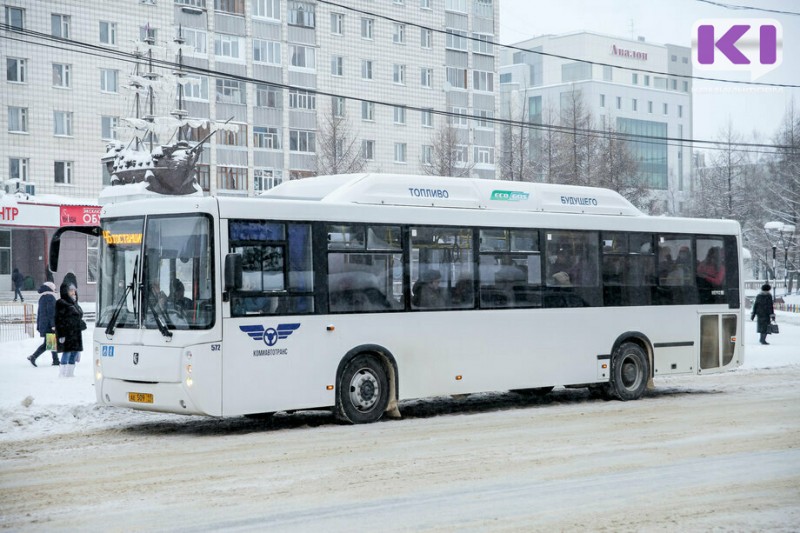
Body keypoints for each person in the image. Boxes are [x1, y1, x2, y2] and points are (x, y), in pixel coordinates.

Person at [55, 283, 85, 377]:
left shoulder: (74, 302)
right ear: (66, 291)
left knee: (74, 352)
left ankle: (70, 373)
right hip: (67, 332)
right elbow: (58, 320)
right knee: (67, 352)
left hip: (75, 333)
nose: (73, 292)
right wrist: (61, 334)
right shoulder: (61, 303)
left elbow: (79, 314)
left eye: (74, 290)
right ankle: (62, 373)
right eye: (71, 290)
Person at [27, 281, 59, 367]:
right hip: (49, 324)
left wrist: (39, 325)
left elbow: (40, 313)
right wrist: (53, 325)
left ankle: (55, 360)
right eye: (54, 288)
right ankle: (34, 357)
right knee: (50, 342)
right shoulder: (50, 297)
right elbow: (51, 312)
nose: (55, 290)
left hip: (44, 324)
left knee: (49, 343)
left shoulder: (43, 297)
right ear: (50, 288)